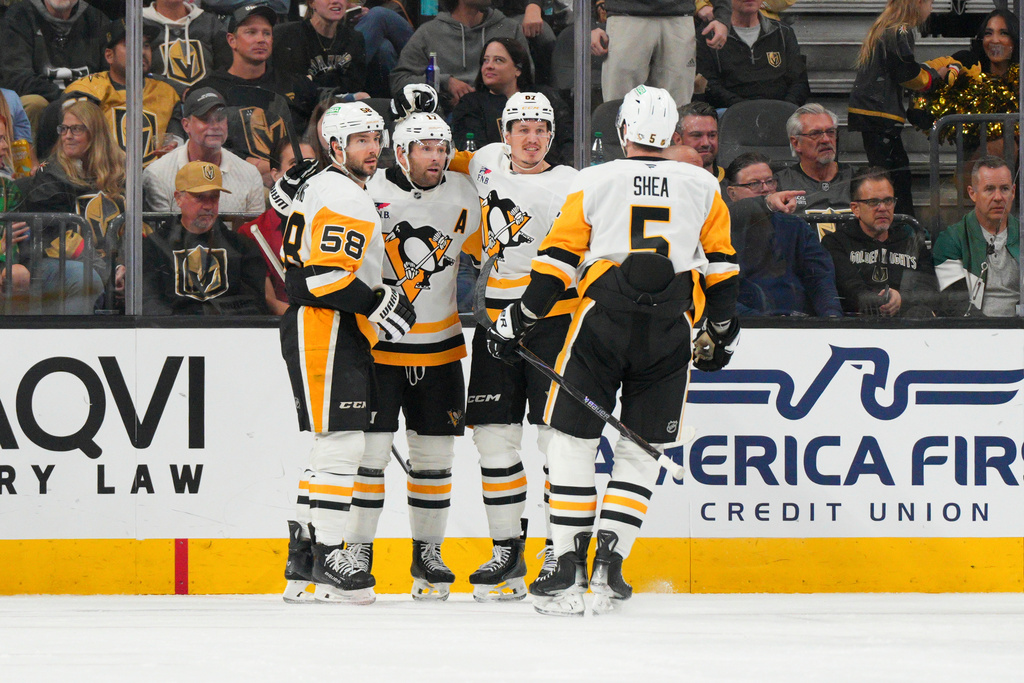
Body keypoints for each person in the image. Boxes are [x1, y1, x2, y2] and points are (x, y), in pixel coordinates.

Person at [486, 85, 738, 616]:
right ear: (671, 135)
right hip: (671, 327)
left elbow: (556, 260)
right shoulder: (702, 183)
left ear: (623, 130)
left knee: (572, 440)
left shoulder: (593, 179)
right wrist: (721, 330)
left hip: (602, 321)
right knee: (642, 447)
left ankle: (569, 560)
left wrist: (519, 318)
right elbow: (721, 267)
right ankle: (611, 560)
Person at [278, 101, 415, 605]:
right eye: (360, 140)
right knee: (343, 444)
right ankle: (333, 554)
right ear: (336, 147)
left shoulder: (327, 185)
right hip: (326, 325)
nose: (373, 149)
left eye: (376, 138)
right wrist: (380, 301)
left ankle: (305, 560)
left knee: (327, 448)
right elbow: (325, 277)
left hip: (323, 324)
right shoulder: (343, 194)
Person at [341, 112, 482, 601]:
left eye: (442, 148)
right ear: (401, 152)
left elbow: (494, 248)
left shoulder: (466, 193)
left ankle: (428, 552)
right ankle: (356, 551)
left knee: (435, 460)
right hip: (378, 348)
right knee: (370, 457)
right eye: (426, 148)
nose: (437, 158)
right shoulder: (364, 189)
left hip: (441, 346)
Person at [458, 91, 579, 603]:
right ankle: (507, 550)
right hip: (492, 322)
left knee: (555, 440)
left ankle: (557, 548)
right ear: (504, 134)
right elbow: (430, 157)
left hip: (554, 320)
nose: (531, 138)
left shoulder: (574, 183)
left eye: (540, 128)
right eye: (521, 128)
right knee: (493, 439)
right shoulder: (484, 162)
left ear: (552, 134)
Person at [849, 0, 961, 218]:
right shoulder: (900, 29)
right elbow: (907, 74)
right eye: (930, 2)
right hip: (878, 112)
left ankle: (900, 224)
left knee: (897, 170)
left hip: (872, 110)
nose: (932, 8)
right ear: (918, 3)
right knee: (893, 175)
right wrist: (933, 77)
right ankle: (901, 226)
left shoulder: (888, 26)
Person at [193, 2, 317, 186]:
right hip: (230, 183)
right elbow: (202, 145)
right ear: (231, 40)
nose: (261, 39)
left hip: (295, 183)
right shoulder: (210, 89)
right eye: (251, 32)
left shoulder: (295, 84)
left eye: (266, 33)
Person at [16, 100, 121, 314]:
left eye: (76, 129)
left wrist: (126, 267)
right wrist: (110, 273)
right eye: (63, 129)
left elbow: (134, 230)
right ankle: (73, 346)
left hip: (111, 265)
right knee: (84, 277)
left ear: (96, 134)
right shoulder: (50, 176)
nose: (67, 135)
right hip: (52, 263)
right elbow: (59, 242)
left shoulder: (120, 176)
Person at [40, 19, 183, 166]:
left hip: (154, 177)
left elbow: (176, 139)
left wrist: (174, 144)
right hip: (100, 177)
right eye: (130, 45)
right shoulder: (87, 89)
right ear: (109, 56)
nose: (141, 51)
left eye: (145, 45)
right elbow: (75, 146)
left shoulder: (167, 93)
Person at [141, 161, 268, 315]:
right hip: (172, 334)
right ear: (178, 198)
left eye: (214, 197)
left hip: (229, 333)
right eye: (200, 197)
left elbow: (254, 304)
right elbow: (148, 301)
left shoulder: (243, 248)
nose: (208, 206)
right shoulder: (153, 247)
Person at [725, 152, 841, 317]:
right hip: (747, 327)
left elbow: (821, 279)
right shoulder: (720, 230)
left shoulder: (795, 226)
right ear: (732, 193)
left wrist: (831, 317)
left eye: (769, 182)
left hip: (799, 324)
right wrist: (764, 322)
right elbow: (719, 295)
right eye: (754, 184)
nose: (765, 189)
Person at [822, 167, 937, 317]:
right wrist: (882, 302)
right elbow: (850, 290)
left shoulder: (912, 242)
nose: (882, 208)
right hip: (857, 328)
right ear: (855, 209)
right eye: (873, 202)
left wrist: (902, 299)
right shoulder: (836, 243)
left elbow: (928, 289)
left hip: (908, 328)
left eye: (888, 200)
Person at [143, 87, 266, 215]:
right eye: (205, 119)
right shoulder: (157, 174)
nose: (215, 126)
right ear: (186, 125)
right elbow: (161, 233)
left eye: (220, 118)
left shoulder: (250, 174)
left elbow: (254, 231)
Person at [450, 37, 573, 165]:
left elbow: (568, 142)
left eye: (498, 60)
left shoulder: (544, 98)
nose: (489, 66)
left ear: (518, 69)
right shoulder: (470, 104)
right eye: (485, 61)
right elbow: (475, 152)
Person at [389, 0, 530, 110]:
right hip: (447, 113)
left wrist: (478, 97)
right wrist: (444, 82)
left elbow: (527, 77)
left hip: (501, 109)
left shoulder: (509, 28)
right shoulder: (428, 32)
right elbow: (399, 81)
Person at [590, 0, 731, 107]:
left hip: (678, 17)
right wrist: (588, 25)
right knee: (619, 107)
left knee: (677, 110)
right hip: (626, 15)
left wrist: (723, 16)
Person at [0, 0, 111, 133]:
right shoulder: (19, 16)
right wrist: (64, 97)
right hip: (44, 99)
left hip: (87, 101)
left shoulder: (97, 19)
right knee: (33, 103)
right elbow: (16, 78)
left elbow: (110, 74)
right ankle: (28, 154)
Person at [238, 138, 319, 315]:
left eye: (310, 165)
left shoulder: (335, 222)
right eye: (295, 164)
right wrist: (313, 319)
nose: (304, 173)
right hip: (282, 329)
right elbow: (268, 301)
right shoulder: (253, 232)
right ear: (276, 175)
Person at [933, 156, 1018, 317]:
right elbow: (955, 304)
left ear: (1013, 192)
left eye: (1005, 189)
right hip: (973, 331)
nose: (998, 197)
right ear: (972, 193)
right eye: (989, 189)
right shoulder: (949, 241)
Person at [697, 0, 810, 110]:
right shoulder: (708, 34)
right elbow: (709, 84)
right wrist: (747, 110)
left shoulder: (783, 32)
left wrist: (784, 109)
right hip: (731, 114)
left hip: (779, 112)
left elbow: (799, 81)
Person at [774, 103, 856, 236]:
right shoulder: (780, 183)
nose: (825, 139)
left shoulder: (859, 178)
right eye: (815, 134)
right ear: (796, 143)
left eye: (830, 132)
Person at [272, 0, 368, 102]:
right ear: (311, 3)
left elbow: (355, 85)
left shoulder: (355, 38)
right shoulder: (289, 35)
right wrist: (335, 80)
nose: (335, 1)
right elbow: (293, 86)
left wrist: (313, 79)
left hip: (343, 109)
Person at [0, 101, 31, 301]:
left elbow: (17, 241)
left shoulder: (7, 187)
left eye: (4, 138)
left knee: (17, 273)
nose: (4, 146)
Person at [668, 101, 724, 182]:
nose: (706, 143)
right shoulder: (664, 184)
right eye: (697, 135)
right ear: (677, 139)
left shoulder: (734, 182)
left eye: (712, 135)